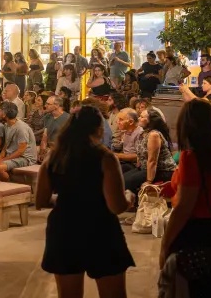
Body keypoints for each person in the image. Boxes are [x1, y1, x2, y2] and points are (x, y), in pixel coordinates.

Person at [36, 105, 134, 298]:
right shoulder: (105, 157)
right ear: (99, 128)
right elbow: (115, 205)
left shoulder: (54, 157)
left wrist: (69, 199)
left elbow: (41, 200)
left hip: (64, 229)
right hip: (100, 229)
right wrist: (129, 197)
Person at [159, 99, 211, 297]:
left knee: (193, 288)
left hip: (197, 229)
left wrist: (165, 244)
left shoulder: (190, 156)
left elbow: (185, 206)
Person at [123, 109, 175, 195]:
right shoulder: (143, 133)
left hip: (163, 170)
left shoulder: (153, 135)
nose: (139, 118)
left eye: (142, 117)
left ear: (150, 121)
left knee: (126, 182)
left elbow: (152, 161)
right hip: (146, 168)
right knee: (122, 179)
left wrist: (148, 181)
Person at [0, 101, 38, 181]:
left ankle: (8, 185)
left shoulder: (21, 128)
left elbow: (21, 151)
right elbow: (6, 146)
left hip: (25, 158)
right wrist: (0, 158)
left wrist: (2, 160)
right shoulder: (7, 125)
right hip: (11, 155)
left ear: (4, 114)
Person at [40, 94, 71, 160]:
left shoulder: (68, 118)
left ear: (56, 105)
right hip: (50, 149)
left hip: (62, 151)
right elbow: (44, 137)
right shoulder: (47, 117)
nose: (45, 106)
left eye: (48, 104)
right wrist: (42, 152)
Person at [111, 108, 142, 173]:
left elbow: (138, 156)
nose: (118, 122)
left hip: (134, 165)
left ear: (131, 122)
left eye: (121, 120)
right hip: (125, 161)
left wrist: (118, 155)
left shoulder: (140, 133)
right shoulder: (126, 131)